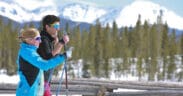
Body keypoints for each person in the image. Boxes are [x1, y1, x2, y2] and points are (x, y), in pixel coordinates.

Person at [16, 28, 71, 96]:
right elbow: (44, 65)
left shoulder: (29, 51)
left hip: (31, 91)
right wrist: (61, 58)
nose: (40, 41)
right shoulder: (28, 52)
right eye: (38, 38)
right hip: (28, 92)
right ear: (30, 40)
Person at [37, 15, 69, 96]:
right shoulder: (43, 39)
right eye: (56, 26)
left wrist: (56, 42)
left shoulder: (47, 39)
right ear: (47, 27)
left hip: (45, 78)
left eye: (58, 26)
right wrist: (61, 43)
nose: (58, 29)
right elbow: (48, 57)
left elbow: (53, 55)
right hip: (40, 78)